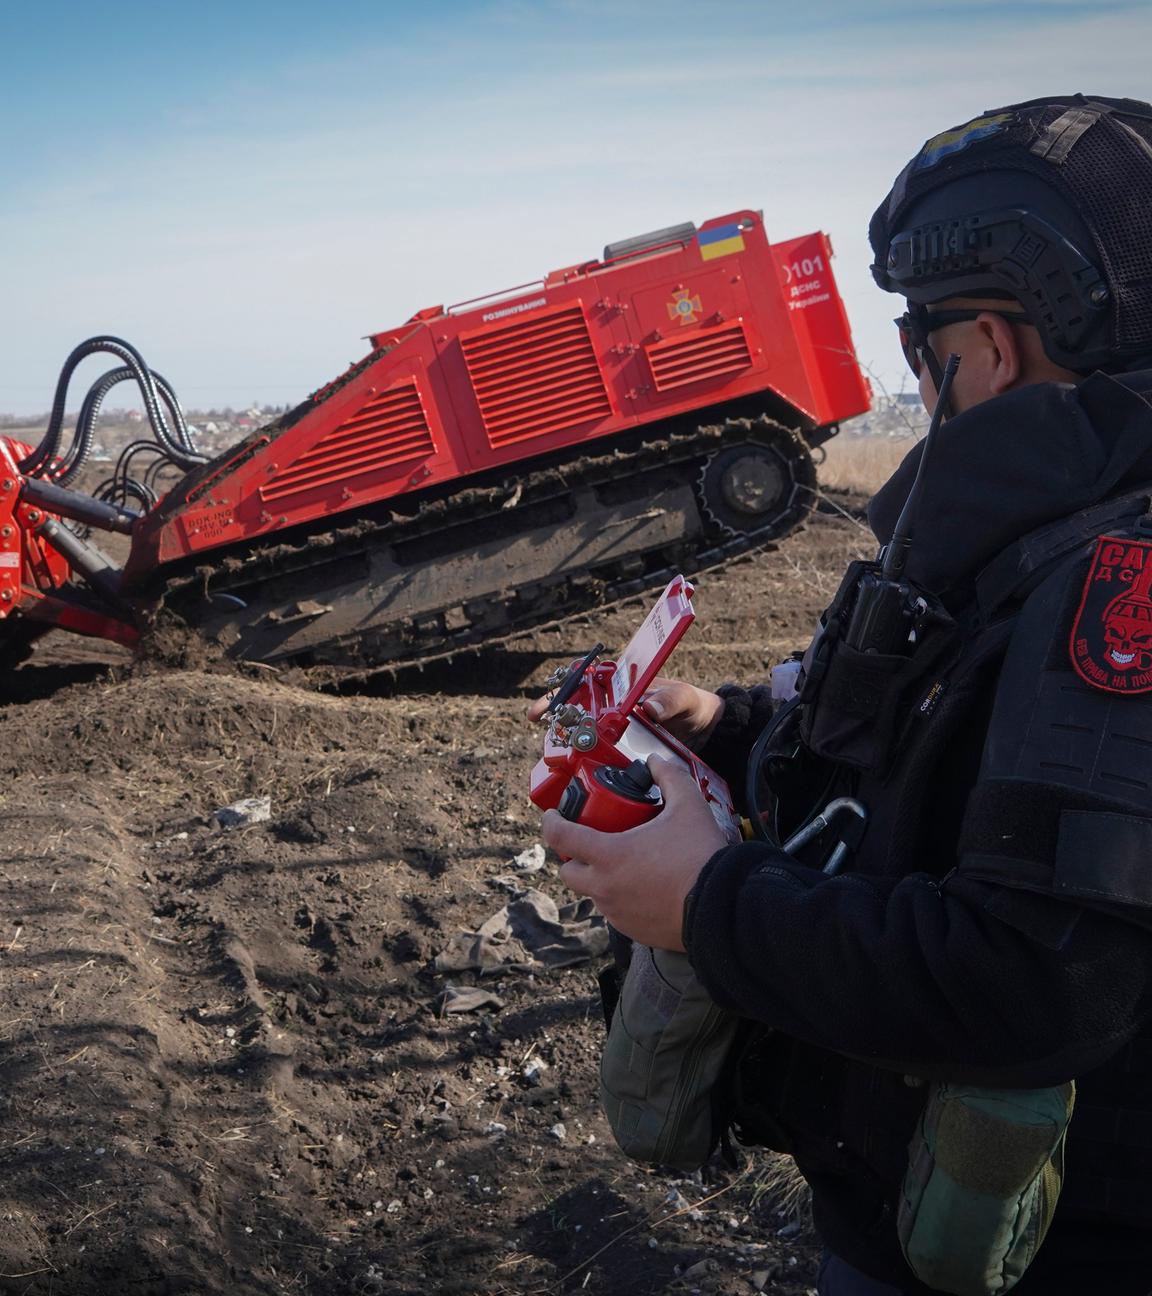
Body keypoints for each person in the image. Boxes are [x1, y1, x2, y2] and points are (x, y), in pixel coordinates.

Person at [536, 94, 1152, 1295]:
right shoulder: (1036, 535)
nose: (920, 381)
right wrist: (730, 728)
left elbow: (1039, 984)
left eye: (923, 347)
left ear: (988, 347)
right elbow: (936, 763)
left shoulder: (1117, 582)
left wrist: (706, 903)